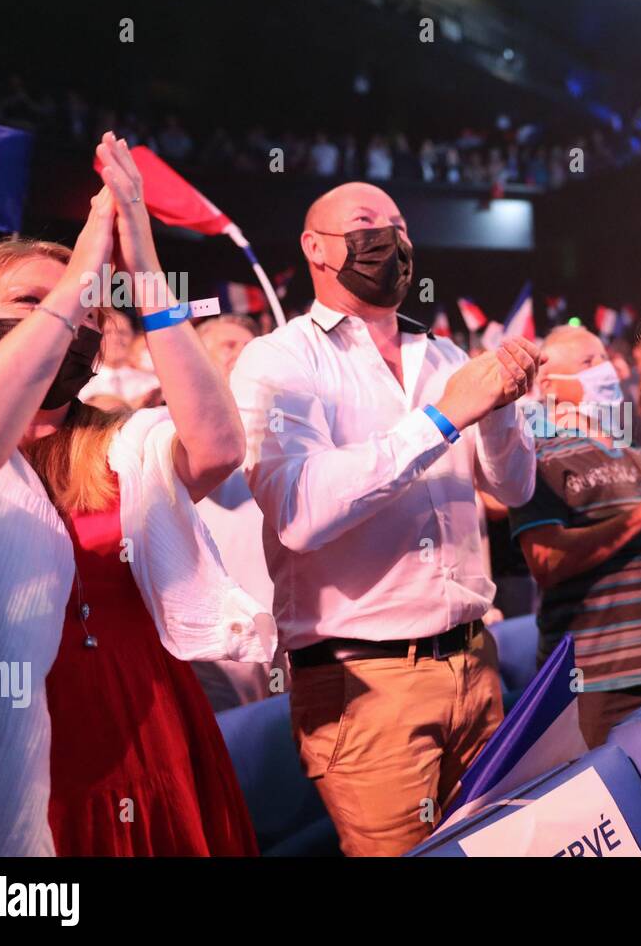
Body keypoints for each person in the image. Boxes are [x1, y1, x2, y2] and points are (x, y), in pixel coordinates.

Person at [0, 133, 273, 856]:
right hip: (25, 770)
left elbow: (216, 447)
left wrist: (142, 270)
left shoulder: (121, 442)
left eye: (88, 314)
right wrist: (79, 270)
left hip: (152, 734)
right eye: (37, 302)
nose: (71, 326)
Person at [229, 181, 541, 856]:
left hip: (473, 662)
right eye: (366, 221)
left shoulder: (446, 355)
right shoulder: (278, 361)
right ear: (315, 246)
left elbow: (515, 488)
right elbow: (300, 513)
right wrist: (443, 417)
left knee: (500, 846)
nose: (390, 237)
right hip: (366, 685)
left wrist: (503, 400)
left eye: (400, 225)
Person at [510, 325, 641, 747]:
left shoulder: (634, 447)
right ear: (549, 385)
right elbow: (546, 562)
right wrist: (640, 517)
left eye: (604, 359)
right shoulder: (533, 456)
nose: (607, 370)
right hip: (599, 685)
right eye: (588, 362)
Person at [191, 314, 280, 711]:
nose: (241, 355)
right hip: (209, 642)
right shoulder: (167, 427)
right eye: (228, 346)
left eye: (249, 347)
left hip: (278, 632)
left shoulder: (285, 429)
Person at [78, 306, 160, 408]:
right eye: (107, 332)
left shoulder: (151, 382)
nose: (116, 339)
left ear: (133, 337)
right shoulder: (81, 383)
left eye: (122, 332)